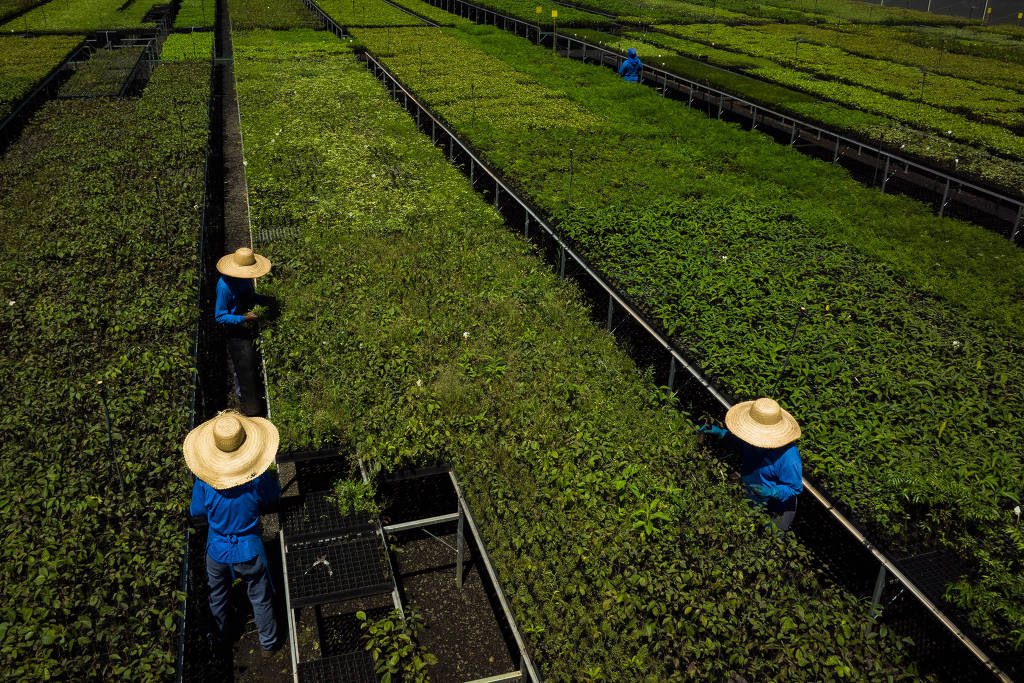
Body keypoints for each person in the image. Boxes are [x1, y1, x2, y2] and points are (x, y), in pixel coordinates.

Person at [186, 410, 282, 655]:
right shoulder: (256, 479)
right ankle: (268, 645)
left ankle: (219, 642)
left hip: (217, 550)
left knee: (217, 597)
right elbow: (273, 497)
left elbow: (197, 511)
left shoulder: (205, 481)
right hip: (249, 549)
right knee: (259, 597)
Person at [698, 397, 803, 532]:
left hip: (776, 509)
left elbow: (794, 489)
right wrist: (720, 433)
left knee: (767, 541)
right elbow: (740, 444)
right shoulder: (751, 438)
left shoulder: (789, 457)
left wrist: (772, 492)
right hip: (750, 496)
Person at [215, 247, 272, 417]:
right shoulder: (224, 286)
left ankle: (251, 389)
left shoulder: (246, 279)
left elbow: (250, 296)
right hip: (235, 331)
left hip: (248, 322)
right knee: (243, 366)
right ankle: (249, 404)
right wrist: (242, 318)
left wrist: (264, 300)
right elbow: (220, 316)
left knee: (252, 361)